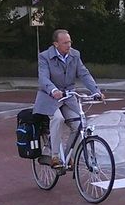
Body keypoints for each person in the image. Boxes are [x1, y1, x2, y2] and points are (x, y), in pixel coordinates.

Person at [33, 29, 103, 167]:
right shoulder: (45, 57)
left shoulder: (75, 55)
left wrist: (96, 91)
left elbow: (84, 74)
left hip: (68, 97)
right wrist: (53, 90)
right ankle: (55, 156)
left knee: (79, 125)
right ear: (56, 44)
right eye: (65, 42)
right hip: (50, 98)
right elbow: (43, 77)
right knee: (58, 119)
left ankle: (69, 156)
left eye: (70, 41)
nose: (69, 45)